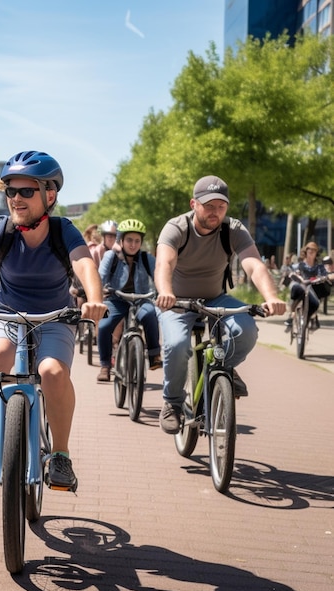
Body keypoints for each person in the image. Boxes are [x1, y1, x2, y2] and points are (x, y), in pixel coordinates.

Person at [0, 150, 107, 491]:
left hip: (54, 317)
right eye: (10, 191)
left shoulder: (63, 231)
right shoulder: (1, 229)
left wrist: (94, 298)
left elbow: (84, 264)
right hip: (8, 315)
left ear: (50, 195)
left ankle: (60, 454)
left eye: (26, 191)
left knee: (52, 372)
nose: (16, 198)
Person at [155, 175, 286, 435]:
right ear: (194, 204)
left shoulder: (233, 229)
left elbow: (254, 265)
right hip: (178, 302)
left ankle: (223, 368)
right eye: (209, 205)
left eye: (221, 206)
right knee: (177, 345)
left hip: (215, 297)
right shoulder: (176, 227)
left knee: (245, 329)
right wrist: (166, 292)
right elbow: (164, 264)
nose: (215, 212)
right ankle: (172, 404)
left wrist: (271, 296)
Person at [96, 219, 161, 382]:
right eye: (129, 240)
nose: (133, 244)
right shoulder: (112, 256)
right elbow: (100, 277)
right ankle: (105, 365)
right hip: (116, 299)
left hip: (141, 299)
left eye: (137, 241)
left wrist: (163, 293)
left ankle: (154, 355)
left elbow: (160, 277)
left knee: (151, 315)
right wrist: (100, 291)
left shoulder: (147, 258)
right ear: (121, 241)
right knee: (103, 326)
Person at [285, 242, 333, 328]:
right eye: (309, 251)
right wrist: (292, 273)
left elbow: (326, 273)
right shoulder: (300, 264)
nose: (311, 253)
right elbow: (291, 270)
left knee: (316, 295)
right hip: (301, 284)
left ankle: (313, 316)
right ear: (306, 252)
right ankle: (291, 316)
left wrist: (327, 276)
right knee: (298, 292)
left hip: (313, 285)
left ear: (316, 253)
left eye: (313, 251)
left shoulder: (318, 266)